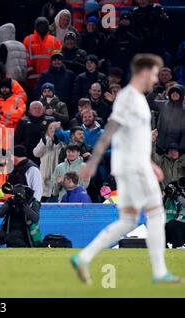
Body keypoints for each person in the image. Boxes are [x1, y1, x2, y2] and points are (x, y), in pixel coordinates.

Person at [73, 54, 181, 284]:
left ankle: (84, 257)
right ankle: (160, 271)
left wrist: (151, 163)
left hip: (136, 164)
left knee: (129, 221)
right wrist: (92, 163)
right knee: (156, 213)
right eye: (153, 74)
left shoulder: (140, 99)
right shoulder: (128, 98)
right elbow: (111, 130)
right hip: (132, 167)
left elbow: (135, 137)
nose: (155, 80)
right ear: (143, 73)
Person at [24, 17, 62, 91]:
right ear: (36, 26)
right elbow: (26, 59)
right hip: (32, 81)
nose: (42, 27)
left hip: (50, 80)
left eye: (44, 25)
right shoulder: (28, 40)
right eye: (40, 25)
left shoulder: (55, 41)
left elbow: (58, 60)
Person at [33, 120, 63, 202]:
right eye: (50, 128)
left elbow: (62, 152)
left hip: (57, 175)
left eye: (55, 129)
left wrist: (57, 140)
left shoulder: (62, 142)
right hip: (45, 176)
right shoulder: (44, 140)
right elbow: (36, 153)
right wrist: (44, 142)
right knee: (43, 198)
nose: (53, 131)